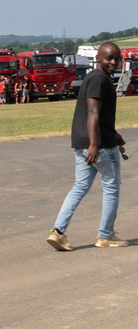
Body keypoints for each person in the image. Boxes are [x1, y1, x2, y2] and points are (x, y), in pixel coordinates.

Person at [47, 42, 128, 251]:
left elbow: (99, 115)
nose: (113, 62)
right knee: (111, 189)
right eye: (109, 58)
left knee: (80, 187)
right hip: (98, 146)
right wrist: (95, 144)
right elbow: (92, 112)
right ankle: (106, 236)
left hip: (89, 142)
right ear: (98, 58)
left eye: (117, 58)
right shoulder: (100, 79)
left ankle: (57, 233)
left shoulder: (94, 77)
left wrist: (113, 132)